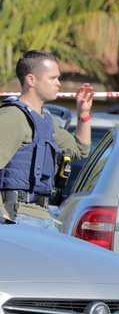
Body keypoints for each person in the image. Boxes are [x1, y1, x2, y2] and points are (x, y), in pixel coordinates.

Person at [0, 51, 95, 229]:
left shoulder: (46, 120)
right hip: (16, 216)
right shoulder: (12, 117)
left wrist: (83, 114)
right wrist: (2, 214)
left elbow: (80, 150)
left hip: (43, 216)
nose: (59, 84)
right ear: (31, 80)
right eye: (53, 78)